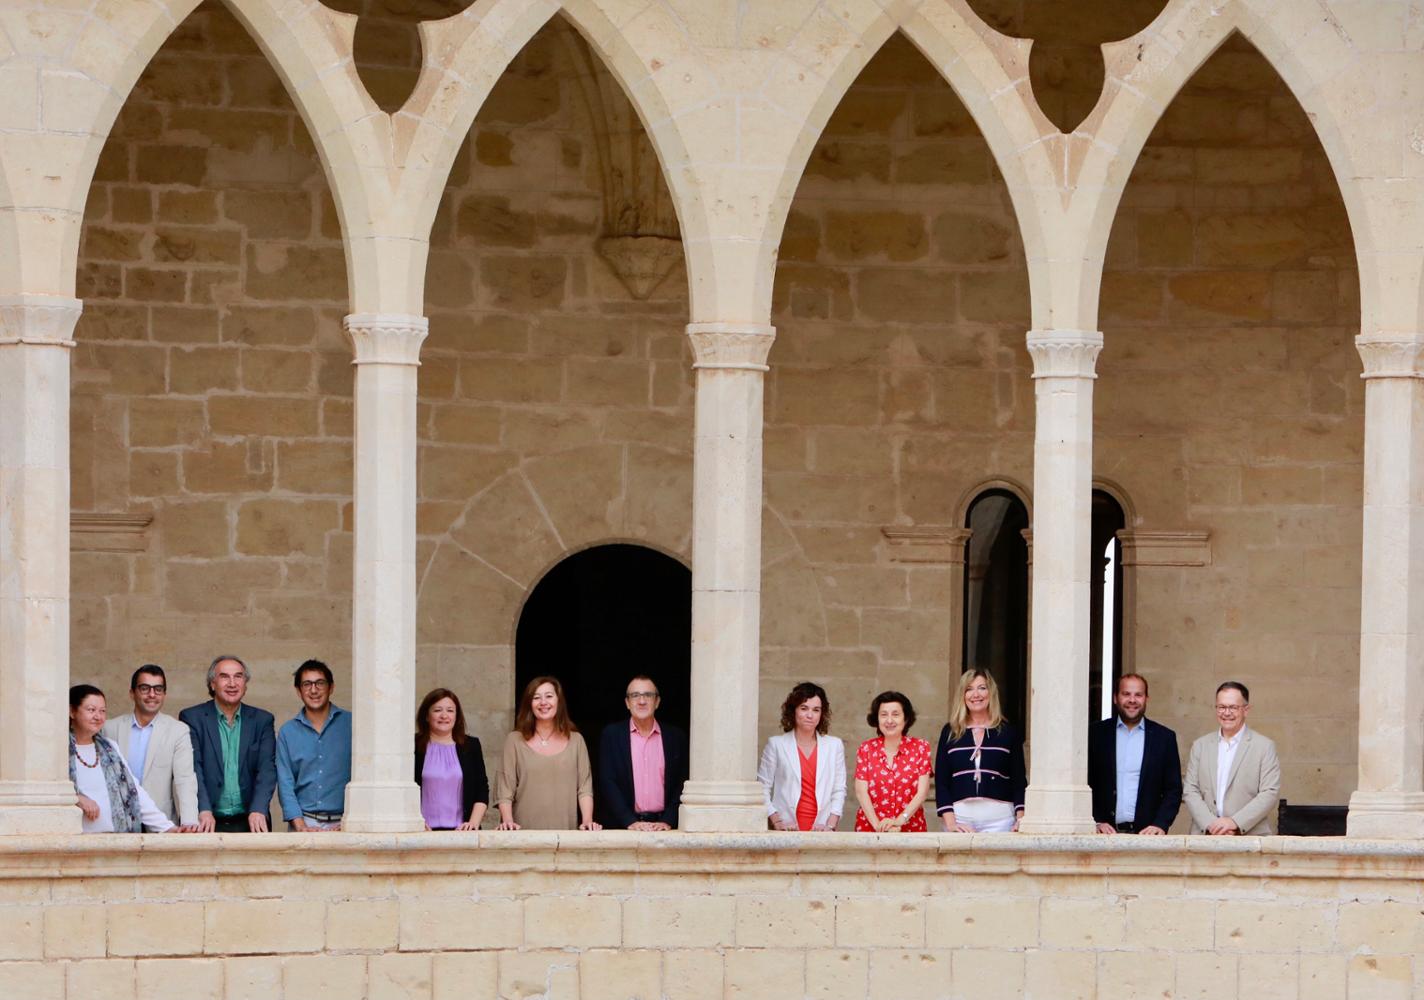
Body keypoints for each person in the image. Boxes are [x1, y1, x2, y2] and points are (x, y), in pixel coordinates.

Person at [179, 655, 277, 833]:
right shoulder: (192, 718)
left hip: (250, 820)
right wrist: (203, 808)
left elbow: (267, 770)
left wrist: (258, 809)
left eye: (238, 676)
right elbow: (193, 768)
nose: (232, 683)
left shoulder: (262, 720)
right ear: (212, 684)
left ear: (245, 684)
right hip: (206, 820)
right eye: (224, 676)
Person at [101, 664, 199, 829]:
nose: (152, 694)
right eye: (145, 688)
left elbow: (185, 779)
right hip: (119, 819)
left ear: (164, 694)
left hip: (162, 821)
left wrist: (189, 820)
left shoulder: (178, 730)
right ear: (132, 693)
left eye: (158, 689)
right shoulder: (109, 728)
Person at [495, 676, 598, 831]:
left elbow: (584, 788)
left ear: (559, 701)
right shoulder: (514, 740)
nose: (543, 702)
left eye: (549, 696)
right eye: (536, 697)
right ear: (530, 704)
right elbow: (505, 788)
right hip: (521, 835)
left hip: (565, 836)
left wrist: (587, 820)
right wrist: (508, 821)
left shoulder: (576, 741)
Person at [70, 685, 177, 833]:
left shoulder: (110, 748)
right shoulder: (58, 752)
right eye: (91, 710)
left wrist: (167, 827)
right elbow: (48, 792)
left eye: (102, 711)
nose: (98, 716)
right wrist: (76, 798)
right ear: (72, 711)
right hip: (75, 843)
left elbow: (134, 791)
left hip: (116, 841)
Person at [1087, 673, 1182, 835]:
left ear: (1146, 699)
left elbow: (1173, 789)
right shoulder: (1095, 734)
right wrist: (1095, 820)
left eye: (1138, 695)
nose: (1132, 700)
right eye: (1126, 694)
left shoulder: (1164, 738)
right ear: (1115, 698)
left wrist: (1160, 824)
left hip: (1147, 837)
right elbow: (1085, 781)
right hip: (1103, 836)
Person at [1183, 681, 1281, 835]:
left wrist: (1234, 823)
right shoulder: (1200, 746)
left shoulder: (1264, 747)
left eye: (1233, 707)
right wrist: (1211, 824)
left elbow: (1269, 792)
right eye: (1221, 707)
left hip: (1249, 836)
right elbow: (1190, 789)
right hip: (1205, 835)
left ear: (1246, 710)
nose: (1226, 713)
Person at [934, 669, 1026, 832]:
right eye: (969, 689)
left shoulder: (1007, 732)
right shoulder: (950, 732)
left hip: (1001, 822)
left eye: (982, 688)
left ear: (991, 693)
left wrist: (1021, 820)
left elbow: (1018, 781)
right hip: (960, 820)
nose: (975, 694)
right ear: (963, 695)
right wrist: (951, 824)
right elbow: (942, 782)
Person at [596, 675, 688, 830]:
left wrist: (668, 820)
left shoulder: (675, 737)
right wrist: (629, 820)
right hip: (623, 827)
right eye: (635, 695)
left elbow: (682, 782)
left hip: (665, 828)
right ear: (627, 703)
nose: (642, 701)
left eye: (648, 695)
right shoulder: (611, 735)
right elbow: (607, 781)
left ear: (657, 701)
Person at [757, 681, 846, 831]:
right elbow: (762, 787)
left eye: (816, 710)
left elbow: (839, 789)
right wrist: (776, 820)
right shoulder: (776, 744)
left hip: (822, 829)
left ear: (821, 714)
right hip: (787, 828)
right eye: (804, 708)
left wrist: (831, 824)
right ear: (794, 711)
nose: (810, 715)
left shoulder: (834, 745)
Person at [276, 660, 352, 831]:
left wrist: (353, 822)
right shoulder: (287, 732)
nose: (314, 690)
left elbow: (365, 773)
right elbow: (285, 783)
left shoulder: (352, 724)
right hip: (305, 823)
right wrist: (300, 825)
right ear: (298, 691)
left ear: (331, 687)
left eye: (320, 683)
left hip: (346, 823)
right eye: (307, 684)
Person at [853, 691, 933, 832]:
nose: (889, 720)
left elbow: (922, 792)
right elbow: (861, 792)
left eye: (895, 714)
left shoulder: (920, 748)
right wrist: (878, 826)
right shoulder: (866, 748)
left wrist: (899, 821)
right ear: (877, 719)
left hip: (910, 828)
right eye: (884, 715)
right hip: (871, 828)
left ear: (906, 718)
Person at [414, 688, 489, 831]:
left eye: (450, 710)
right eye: (437, 710)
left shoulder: (471, 746)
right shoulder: (412, 746)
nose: (444, 715)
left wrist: (473, 824)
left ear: (457, 716)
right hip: (422, 832)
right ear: (426, 716)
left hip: (462, 832)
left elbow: (482, 789)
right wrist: (414, 822)